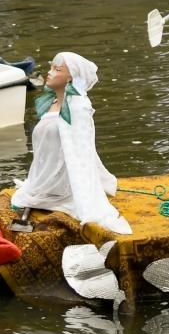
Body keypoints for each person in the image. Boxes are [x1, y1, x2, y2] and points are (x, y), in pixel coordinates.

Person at [10, 53, 131, 234]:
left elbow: (81, 151)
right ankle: (43, 186)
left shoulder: (77, 108)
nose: (49, 73)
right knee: (24, 197)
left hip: (62, 186)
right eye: (51, 67)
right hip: (42, 180)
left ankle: (54, 190)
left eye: (57, 70)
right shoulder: (52, 102)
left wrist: (83, 191)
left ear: (70, 77)